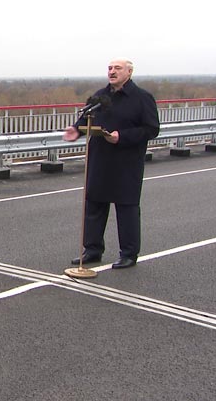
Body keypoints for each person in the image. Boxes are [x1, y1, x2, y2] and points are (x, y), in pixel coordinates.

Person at [63, 58, 160, 269]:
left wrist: (122, 136)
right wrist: (76, 129)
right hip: (100, 159)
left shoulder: (142, 98)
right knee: (94, 204)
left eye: (117, 68)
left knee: (126, 207)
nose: (112, 72)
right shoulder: (100, 96)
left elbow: (151, 129)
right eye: (109, 68)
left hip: (126, 162)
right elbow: (87, 118)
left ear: (129, 72)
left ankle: (129, 253)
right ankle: (92, 250)